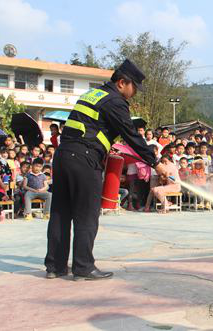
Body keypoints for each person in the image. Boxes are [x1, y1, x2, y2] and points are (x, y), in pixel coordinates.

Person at [45, 59, 168, 281]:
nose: (134, 94)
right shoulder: (115, 101)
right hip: (84, 159)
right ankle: (83, 267)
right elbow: (132, 136)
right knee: (86, 214)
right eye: (134, 89)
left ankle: (55, 266)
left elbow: (95, 126)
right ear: (122, 82)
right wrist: (155, 162)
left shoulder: (93, 95)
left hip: (63, 156)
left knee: (60, 212)